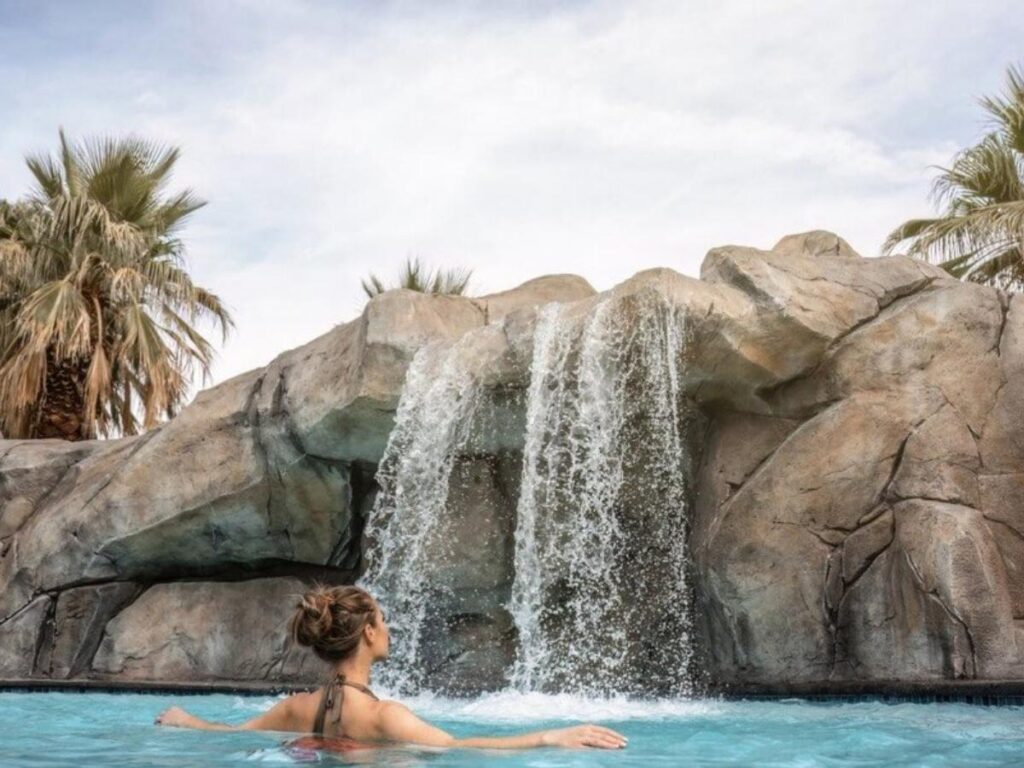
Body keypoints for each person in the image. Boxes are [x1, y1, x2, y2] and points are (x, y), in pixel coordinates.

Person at [155, 584, 628, 751]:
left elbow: (234, 734)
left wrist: (186, 720)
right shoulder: (385, 717)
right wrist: (550, 736)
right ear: (367, 633)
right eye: (382, 619)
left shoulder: (296, 709)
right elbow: (463, 746)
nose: (388, 627)